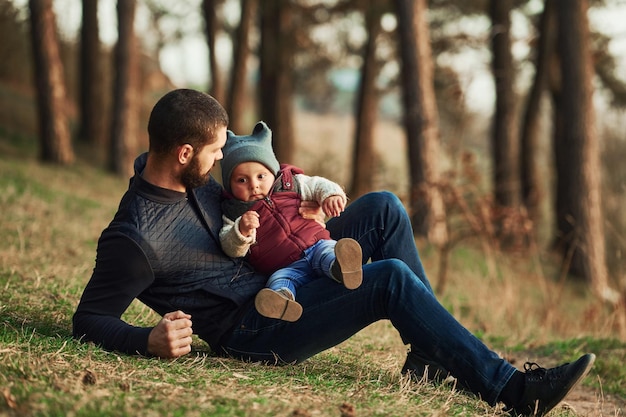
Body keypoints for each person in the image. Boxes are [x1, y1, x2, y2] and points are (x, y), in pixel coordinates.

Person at [72, 88, 595, 417]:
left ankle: (431, 355)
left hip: (282, 267)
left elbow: (244, 173)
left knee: (385, 208)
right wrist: (148, 339)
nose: (219, 160)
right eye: (213, 152)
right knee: (387, 278)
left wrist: (307, 208)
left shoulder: (189, 175)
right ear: (184, 153)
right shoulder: (136, 237)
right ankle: (512, 391)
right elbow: (89, 317)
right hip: (258, 327)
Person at [219, 121, 362, 322]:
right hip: (284, 267)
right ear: (229, 184)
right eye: (242, 180)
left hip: (316, 244)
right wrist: (241, 231)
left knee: (328, 253)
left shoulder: (291, 183)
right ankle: (281, 302)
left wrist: (331, 195)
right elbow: (229, 246)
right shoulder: (234, 212)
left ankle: (341, 267)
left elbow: (319, 185)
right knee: (278, 281)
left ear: (273, 171)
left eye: (261, 176)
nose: (254, 185)